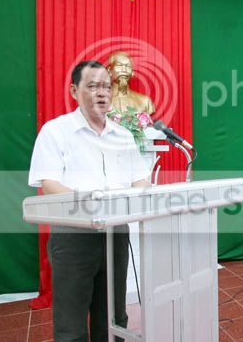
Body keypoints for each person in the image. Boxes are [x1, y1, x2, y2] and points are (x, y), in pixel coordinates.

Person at [28, 60, 151, 341]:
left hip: (116, 233)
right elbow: (49, 184)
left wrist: (143, 197)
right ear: (74, 91)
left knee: (113, 317)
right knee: (71, 323)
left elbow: (140, 179)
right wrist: (92, 208)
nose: (102, 93)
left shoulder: (123, 135)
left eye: (106, 87)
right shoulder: (55, 131)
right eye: (93, 86)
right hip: (74, 236)